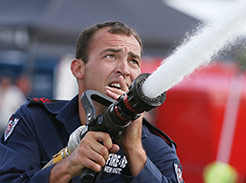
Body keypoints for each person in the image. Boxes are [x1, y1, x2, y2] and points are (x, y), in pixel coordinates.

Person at [0, 21, 184, 183]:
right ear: (79, 69)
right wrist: (68, 166)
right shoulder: (35, 120)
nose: (124, 70)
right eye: (111, 56)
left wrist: (135, 151)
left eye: (133, 61)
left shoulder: (154, 146)